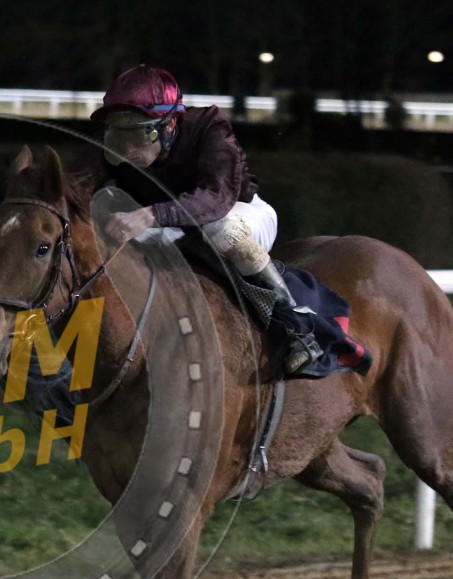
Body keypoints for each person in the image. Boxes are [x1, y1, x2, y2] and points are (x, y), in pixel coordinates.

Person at [90, 64, 322, 375]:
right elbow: (77, 184)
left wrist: (149, 214)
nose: (127, 146)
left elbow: (216, 199)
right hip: (171, 228)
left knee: (221, 229)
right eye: (118, 130)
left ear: (171, 123)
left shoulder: (211, 128)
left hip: (238, 214)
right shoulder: (112, 147)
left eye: (140, 131)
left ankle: (296, 329)